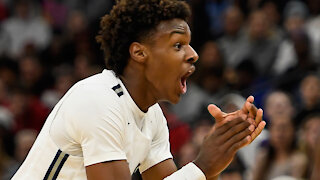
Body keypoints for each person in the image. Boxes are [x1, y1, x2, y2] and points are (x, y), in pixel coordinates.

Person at [12, 1, 265, 179]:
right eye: (178, 45)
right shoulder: (98, 99)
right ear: (139, 52)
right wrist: (201, 166)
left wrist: (218, 156)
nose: (193, 55)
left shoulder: (152, 115)